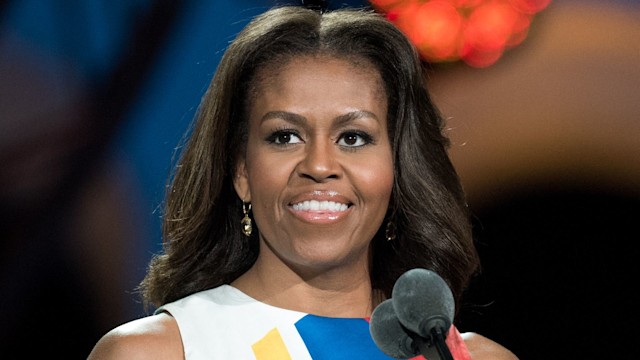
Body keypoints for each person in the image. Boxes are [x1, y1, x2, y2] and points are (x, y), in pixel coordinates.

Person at [88, 4, 518, 360]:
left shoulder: (470, 356)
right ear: (241, 172)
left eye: (353, 138)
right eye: (285, 136)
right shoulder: (159, 351)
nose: (318, 164)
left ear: (397, 171)